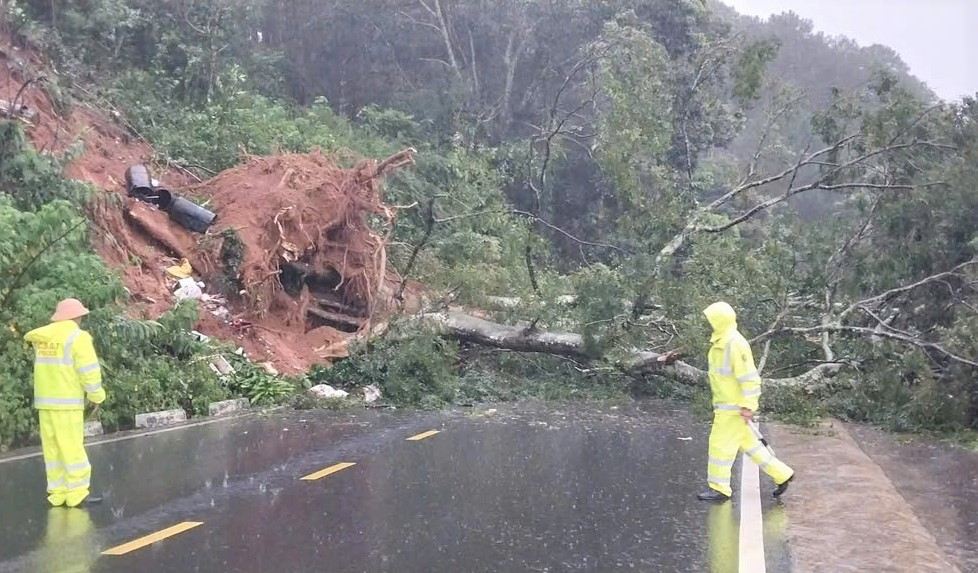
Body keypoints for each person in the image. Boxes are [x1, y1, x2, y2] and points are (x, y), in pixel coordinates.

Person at [697, 301, 794, 502]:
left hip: (732, 410)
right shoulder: (721, 342)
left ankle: (720, 489)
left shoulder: (734, 344)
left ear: (720, 321)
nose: (709, 324)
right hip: (728, 407)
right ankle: (783, 474)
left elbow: (750, 378)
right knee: (752, 447)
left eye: (711, 320)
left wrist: (749, 405)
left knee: (719, 447)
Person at [25, 298, 105, 507]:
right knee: (72, 449)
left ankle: (57, 493)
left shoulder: (43, 338)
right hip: (67, 404)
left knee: (52, 451)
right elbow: (88, 371)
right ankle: (77, 493)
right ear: (76, 317)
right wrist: (96, 395)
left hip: (45, 404)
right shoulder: (78, 338)